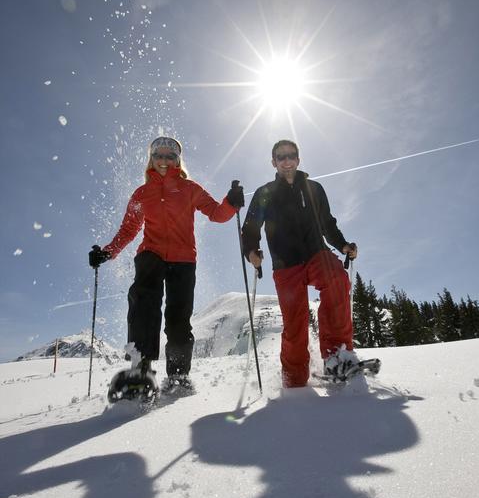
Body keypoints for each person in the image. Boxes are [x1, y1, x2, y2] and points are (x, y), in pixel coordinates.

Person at [89, 136, 244, 387]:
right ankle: (141, 368)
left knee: (178, 317)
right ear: (151, 159)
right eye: (158, 156)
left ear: (177, 160)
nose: (164, 161)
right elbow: (128, 230)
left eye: (169, 156)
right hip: (151, 253)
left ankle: (178, 375)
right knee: (144, 300)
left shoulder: (190, 188)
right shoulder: (141, 193)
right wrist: (107, 252)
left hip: (184, 259)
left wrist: (231, 202)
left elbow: (216, 213)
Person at [241, 139, 357, 388]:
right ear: (273, 162)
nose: (286, 161)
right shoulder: (265, 193)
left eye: (291, 155)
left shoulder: (314, 189)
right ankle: (294, 380)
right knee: (295, 322)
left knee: (336, 279)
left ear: (298, 158)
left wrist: (343, 245)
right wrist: (251, 251)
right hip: (285, 263)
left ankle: (337, 357)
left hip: (316, 252)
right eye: (281, 157)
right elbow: (250, 227)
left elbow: (327, 223)